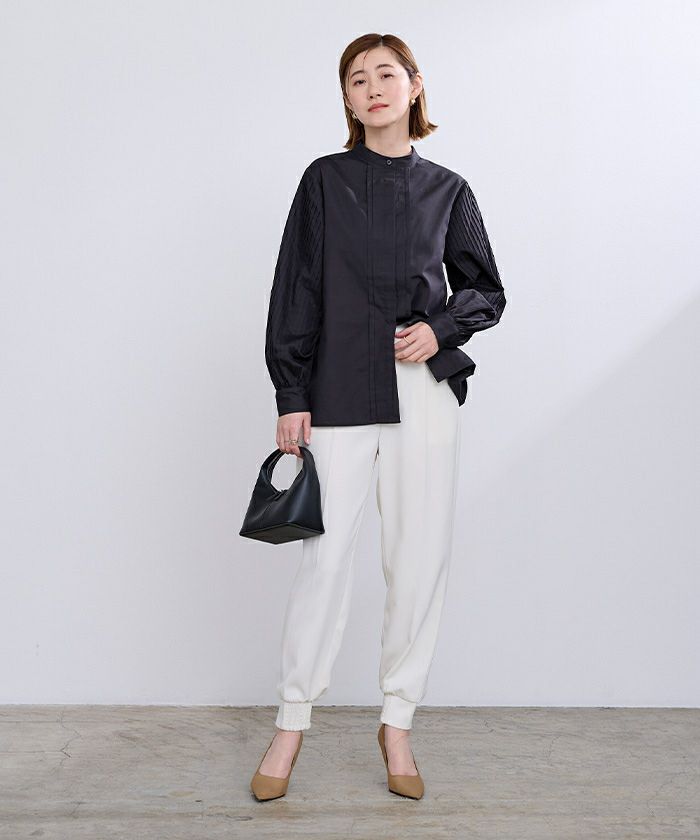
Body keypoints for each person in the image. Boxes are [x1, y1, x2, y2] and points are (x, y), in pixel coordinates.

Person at [250, 32, 507, 801]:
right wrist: (290, 393)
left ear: (415, 85)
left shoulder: (449, 190)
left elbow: (486, 290)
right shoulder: (324, 182)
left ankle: (398, 723)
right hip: (336, 389)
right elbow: (296, 286)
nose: (372, 88)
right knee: (325, 561)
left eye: (386, 74)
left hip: (421, 392)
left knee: (418, 559)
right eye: (357, 79)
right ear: (348, 99)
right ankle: (291, 721)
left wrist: (441, 328)